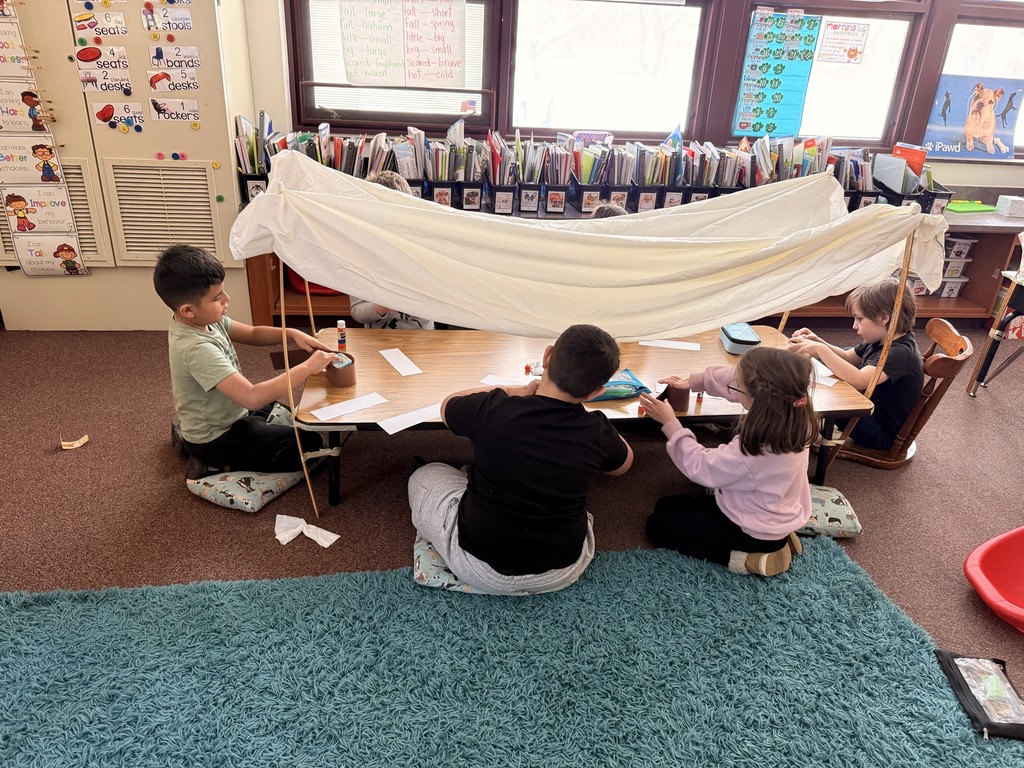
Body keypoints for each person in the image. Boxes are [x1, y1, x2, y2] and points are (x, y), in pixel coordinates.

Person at [408, 324, 634, 594]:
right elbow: (624, 464)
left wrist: (514, 390)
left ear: (547, 357)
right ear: (597, 392)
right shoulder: (597, 430)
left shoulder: (495, 409)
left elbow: (448, 406)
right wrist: (600, 427)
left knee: (425, 474)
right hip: (562, 570)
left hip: (479, 566)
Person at [154, 244, 337, 479]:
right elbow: (252, 396)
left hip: (235, 410)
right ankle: (210, 463)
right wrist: (307, 367)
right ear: (188, 310)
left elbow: (251, 333)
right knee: (310, 444)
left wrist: (291, 333)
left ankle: (196, 439)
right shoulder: (196, 348)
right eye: (217, 298)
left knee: (296, 414)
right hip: (217, 437)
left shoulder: (205, 319)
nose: (227, 299)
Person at [637, 347, 817, 577]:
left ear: (756, 396)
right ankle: (780, 537)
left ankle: (751, 558)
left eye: (738, 386)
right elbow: (741, 380)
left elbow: (701, 466)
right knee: (665, 505)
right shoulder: (795, 414)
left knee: (656, 526)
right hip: (764, 508)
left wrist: (670, 424)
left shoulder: (753, 451)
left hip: (752, 531)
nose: (734, 386)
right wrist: (694, 382)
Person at [787, 278, 923, 450]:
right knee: (825, 385)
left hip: (880, 432)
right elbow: (846, 356)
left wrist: (821, 350)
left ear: (883, 318)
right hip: (868, 412)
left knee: (822, 398)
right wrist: (819, 341)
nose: (854, 325)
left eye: (859, 319)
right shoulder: (881, 338)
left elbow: (859, 380)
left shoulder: (900, 353)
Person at [349, 170, 435, 330]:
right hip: (378, 341)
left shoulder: (423, 248)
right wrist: (384, 304)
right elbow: (357, 311)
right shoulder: (362, 252)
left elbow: (442, 303)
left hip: (423, 339)